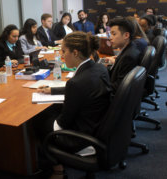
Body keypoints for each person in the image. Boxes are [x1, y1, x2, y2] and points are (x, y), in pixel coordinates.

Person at [36, 31, 111, 177]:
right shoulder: (99, 68)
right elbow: (83, 88)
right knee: (53, 110)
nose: (62, 56)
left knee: (39, 119)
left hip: (83, 140)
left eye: (64, 51)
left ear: (75, 52)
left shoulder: (76, 83)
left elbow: (64, 122)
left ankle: (57, 168)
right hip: (99, 127)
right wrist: (53, 90)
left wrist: (51, 120)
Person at [105, 17, 141, 93]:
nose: (110, 38)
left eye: (114, 34)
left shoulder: (128, 57)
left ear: (126, 35)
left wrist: (97, 85)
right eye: (110, 34)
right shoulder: (130, 48)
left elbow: (119, 87)